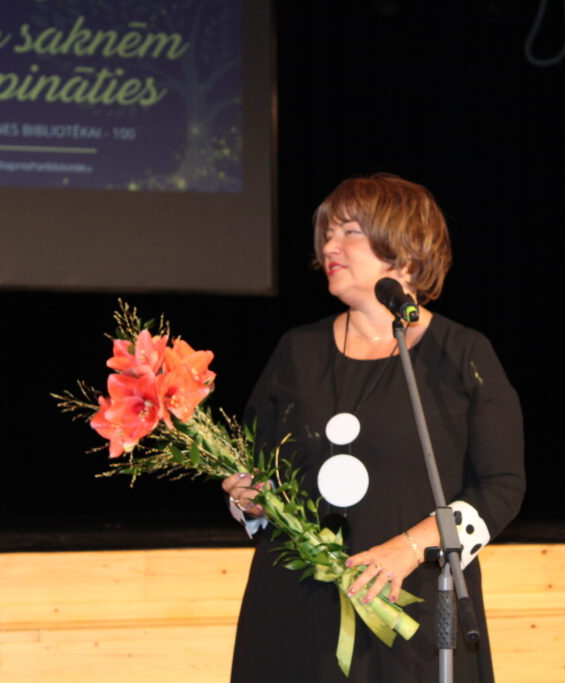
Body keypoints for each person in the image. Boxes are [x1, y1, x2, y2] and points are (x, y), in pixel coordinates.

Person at [222, 173, 524, 682]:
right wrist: (247, 500)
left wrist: (406, 550)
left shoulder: (460, 355)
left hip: (411, 613)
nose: (329, 246)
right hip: (297, 614)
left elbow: (501, 487)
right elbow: (257, 472)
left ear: (405, 250)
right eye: (327, 234)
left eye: (349, 232)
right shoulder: (297, 352)